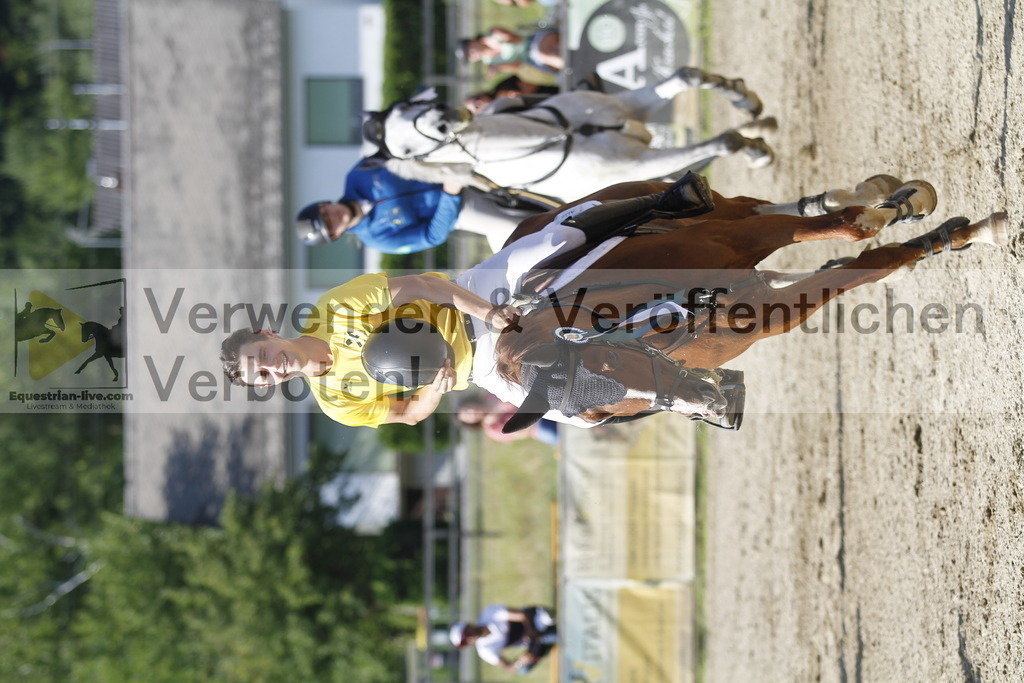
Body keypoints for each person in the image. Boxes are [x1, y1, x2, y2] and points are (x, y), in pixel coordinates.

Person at [222, 173, 714, 427]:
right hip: (479, 368)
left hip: (473, 302)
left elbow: (419, 285)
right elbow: (410, 414)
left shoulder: (330, 310)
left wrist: (488, 311)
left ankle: (665, 202)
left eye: (262, 356)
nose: (273, 367)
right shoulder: (337, 403)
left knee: (551, 243)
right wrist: (434, 389)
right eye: (263, 375)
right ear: (269, 386)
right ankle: (690, 393)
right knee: (573, 416)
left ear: (267, 335)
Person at [295, 157, 530, 254]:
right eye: (329, 226)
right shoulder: (378, 239)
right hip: (462, 206)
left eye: (324, 213)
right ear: (336, 235)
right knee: (514, 227)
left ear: (324, 204)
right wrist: (450, 194)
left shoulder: (357, 175)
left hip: (452, 164)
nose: (332, 217)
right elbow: (431, 236)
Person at [450, 605, 558, 674]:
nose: (469, 638)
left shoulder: (489, 613)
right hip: (532, 640)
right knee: (523, 670)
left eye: (466, 634)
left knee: (548, 622)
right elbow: (508, 667)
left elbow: (523, 615)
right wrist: (520, 661)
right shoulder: (484, 649)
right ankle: (546, 643)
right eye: (465, 642)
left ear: (468, 625)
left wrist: (531, 632)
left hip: (533, 621)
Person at [456, 27, 563, 87]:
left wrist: (498, 42)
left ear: (472, 42)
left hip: (534, 41)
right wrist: (500, 67)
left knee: (545, 52)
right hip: (533, 59)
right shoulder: (491, 62)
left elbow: (517, 39)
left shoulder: (492, 34)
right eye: (470, 57)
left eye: (470, 52)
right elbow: (518, 65)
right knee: (545, 56)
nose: (474, 55)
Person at [455, 392, 558, 445]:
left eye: (467, 409)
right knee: (552, 434)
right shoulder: (491, 429)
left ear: (470, 402)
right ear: (472, 423)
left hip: (538, 402)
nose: (472, 413)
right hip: (536, 425)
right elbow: (519, 434)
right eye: (468, 417)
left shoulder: (490, 394)